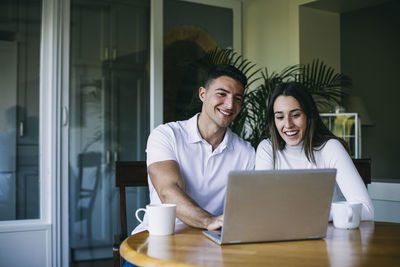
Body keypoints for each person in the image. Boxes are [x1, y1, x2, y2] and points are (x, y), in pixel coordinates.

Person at [133, 64, 255, 234]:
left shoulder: (246, 152)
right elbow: (168, 191)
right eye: (222, 94)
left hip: (213, 241)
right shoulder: (167, 135)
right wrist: (208, 220)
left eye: (237, 98)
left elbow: (246, 207)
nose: (229, 105)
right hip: (161, 236)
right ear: (202, 94)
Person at [255, 82, 374, 221]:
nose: (288, 125)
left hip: (326, 238)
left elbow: (366, 210)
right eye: (280, 117)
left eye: (295, 115)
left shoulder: (330, 148)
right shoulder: (267, 149)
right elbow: (262, 207)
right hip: (281, 236)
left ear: (309, 115)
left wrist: (307, 215)